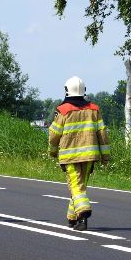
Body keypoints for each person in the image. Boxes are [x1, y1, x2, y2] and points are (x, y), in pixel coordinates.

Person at [48, 76, 110, 231]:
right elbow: (102, 134)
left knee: (76, 186)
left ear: (67, 90)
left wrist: (53, 151)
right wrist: (105, 156)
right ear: (84, 91)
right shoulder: (94, 109)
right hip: (89, 156)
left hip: (70, 157)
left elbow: (54, 134)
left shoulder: (62, 110)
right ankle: (72, 218)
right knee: (79, 187)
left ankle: (83, 213)